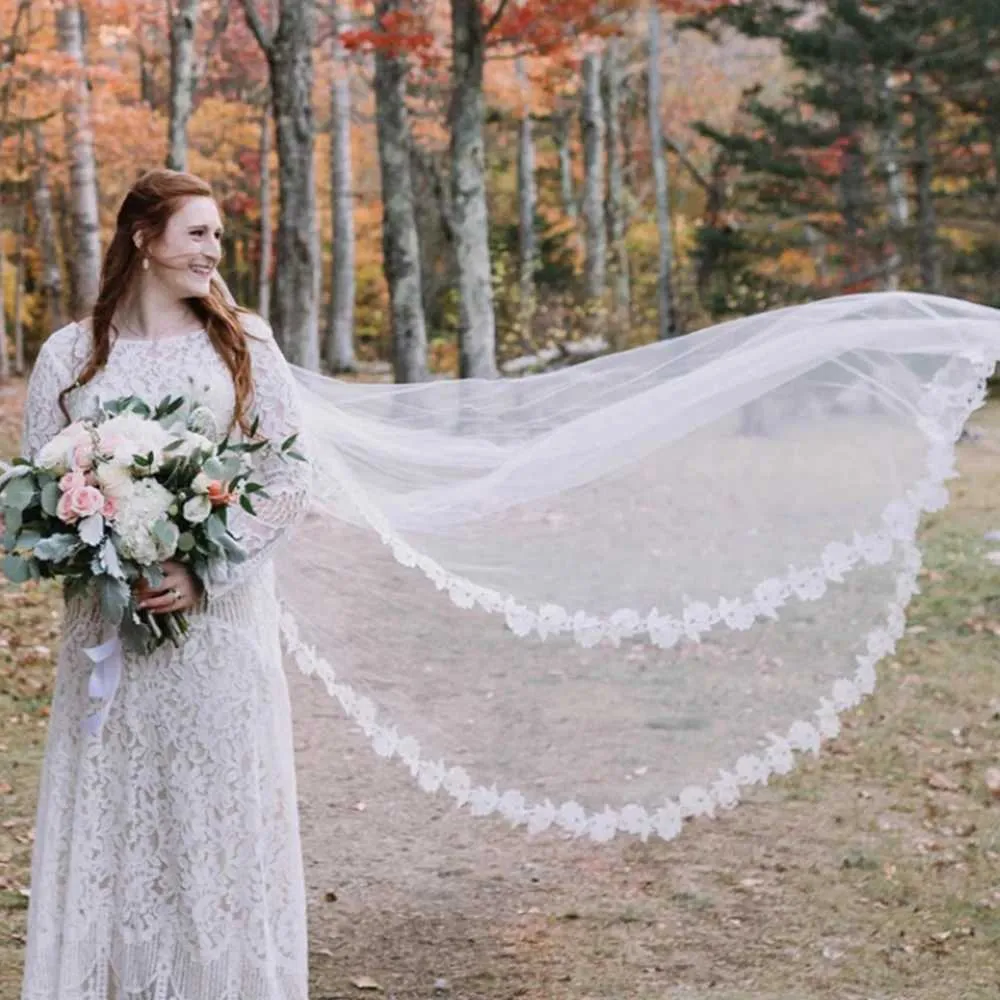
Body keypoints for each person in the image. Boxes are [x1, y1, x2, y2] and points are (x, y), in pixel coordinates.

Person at [19, 169, 311, 1000]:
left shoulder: (242, 342)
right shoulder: (71, 354)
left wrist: (203, 568)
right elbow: (40, 481)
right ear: (143, 239)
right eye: (197, 233)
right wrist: (97, 540)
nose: (214, 250)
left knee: (214, 824)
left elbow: (287, 474)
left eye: (218, 235)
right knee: (117, 820)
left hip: (218, 628)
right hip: (107, 631)